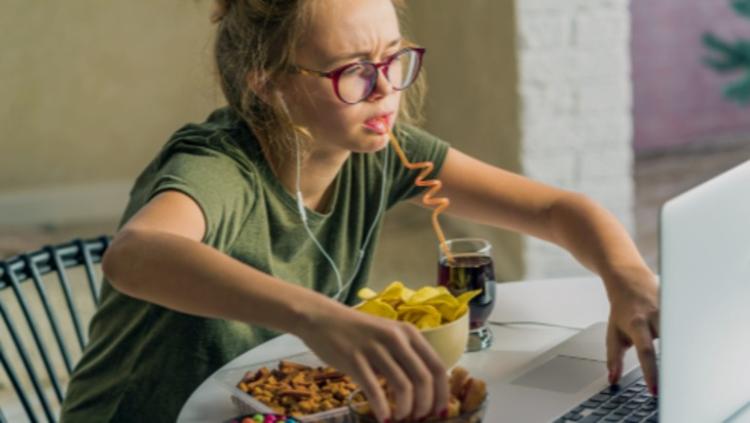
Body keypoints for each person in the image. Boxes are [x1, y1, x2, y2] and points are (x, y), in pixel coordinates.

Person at [60, 0, 660, 422]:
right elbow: (135, 255)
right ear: (266, 82)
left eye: (393, 59)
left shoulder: (381, 150)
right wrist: (319, 318)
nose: (386, 91)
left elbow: (556, 209)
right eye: (354, 72)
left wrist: (627, 275)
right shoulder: (218, 167)